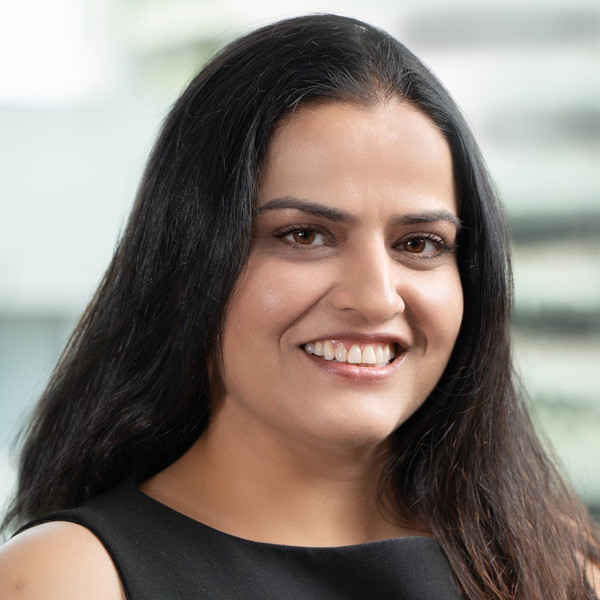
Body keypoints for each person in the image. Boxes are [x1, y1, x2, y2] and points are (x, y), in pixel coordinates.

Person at [0, 13, 598, 600]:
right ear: (189, 262)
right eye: (304, 235)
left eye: (419, 244)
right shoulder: (65, 581)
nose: (375, 298)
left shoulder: (563, 575)